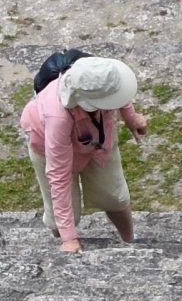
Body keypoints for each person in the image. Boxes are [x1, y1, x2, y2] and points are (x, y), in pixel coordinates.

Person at [20, 56, 146, 253]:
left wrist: (131, 117)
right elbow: (59, 175)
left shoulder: (97, 73)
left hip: (96, 142)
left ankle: (130, 241)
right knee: (61, 218)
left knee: (115, 197)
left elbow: (115, 89)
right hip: (48, 145)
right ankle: (63, 236)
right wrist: (69, 239)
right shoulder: (57, 116)